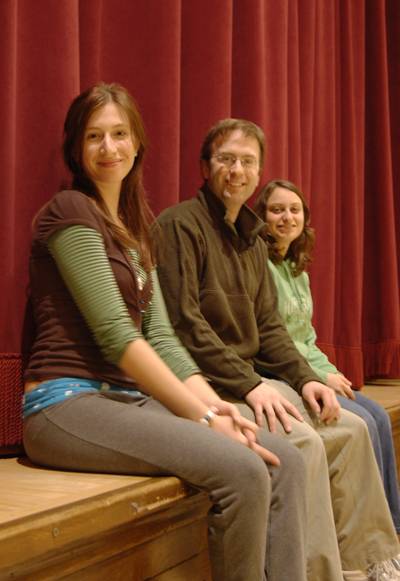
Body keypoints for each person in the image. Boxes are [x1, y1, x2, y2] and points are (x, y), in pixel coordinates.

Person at [22, 83, 312, 581]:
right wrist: (202, 415)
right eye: (94, 136)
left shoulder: (135, 226)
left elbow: (161, 337)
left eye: (119, 134)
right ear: (76, 146)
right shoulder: (71, 211)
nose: (108, 148)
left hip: (124, 399)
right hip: (65, 404)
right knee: (242, 470)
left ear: (137, 144)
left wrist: (217, 407)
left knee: (283, 457)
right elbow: (118, 335)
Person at [154, 118, 400, 581]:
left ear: (258, 170)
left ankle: (368, 567)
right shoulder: (179, 225)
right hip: (208, 385)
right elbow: (186, 326)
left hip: (250, 380)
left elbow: (269, 327)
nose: (237, 170)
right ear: (205, 166)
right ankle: (316, 573)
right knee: (304, 442)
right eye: (226, 159)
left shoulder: (251, 237)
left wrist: (306, 377)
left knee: (350, 429)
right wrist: (251, 385)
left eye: (248, 161)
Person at [253, 177, 400, 537]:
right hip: (280, 373)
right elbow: (278, 342)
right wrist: (316, 378)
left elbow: (308, 337)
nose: (287, 217)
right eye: (277, 210)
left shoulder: (295, 270)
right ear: (262, 217)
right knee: (363, 422)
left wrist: (331, 373)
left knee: (378, 415)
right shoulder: (260, 268)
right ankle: (377, 533)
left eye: (294, 210)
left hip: (311, 370)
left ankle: (393, 529)